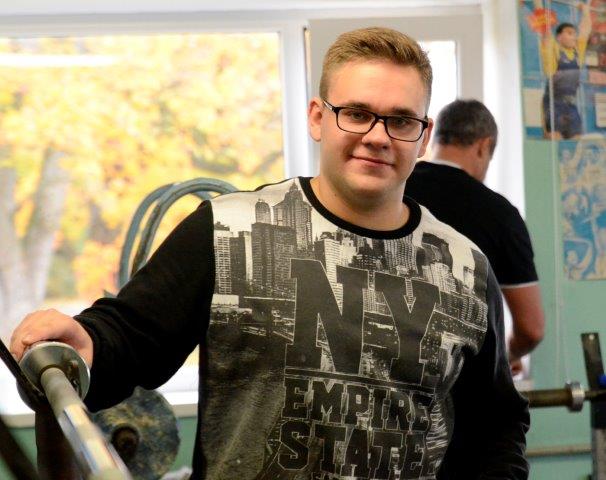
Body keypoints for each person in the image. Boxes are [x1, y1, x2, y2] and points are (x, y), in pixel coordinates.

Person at [10, 27, 529, 479]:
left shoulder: (464, 269)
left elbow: (495, 429)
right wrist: (85, 342)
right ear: (317, 117)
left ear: (424, 135)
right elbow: (131, 337)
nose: (377, 137)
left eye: (400, 120)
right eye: (356, 114)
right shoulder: (227, 230)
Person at [405, 99, 545, 376]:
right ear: (483, 146)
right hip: (462, 380)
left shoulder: (395, 190)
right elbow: (531, 329)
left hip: (389, 370)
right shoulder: (499, 213)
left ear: (435, 136)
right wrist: (506, 355)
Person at [538, 2, 592, 139]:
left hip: (571, 105)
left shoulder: (577, 52)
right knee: (555, 139)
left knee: (577, 141)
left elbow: (585, 31)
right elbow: (545, 28)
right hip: (553, 104)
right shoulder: (553, 49)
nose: (574, 36)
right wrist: (537, 3)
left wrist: (586, 11)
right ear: (559, 37)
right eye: (569, 33)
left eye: (574, 34)